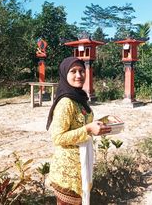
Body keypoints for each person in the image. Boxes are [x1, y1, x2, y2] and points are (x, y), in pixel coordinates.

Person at [46, 56, 111, 205]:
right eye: (73, 71)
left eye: (81, 71)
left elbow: (84, 123)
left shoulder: (78, 98)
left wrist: (107, 120)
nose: (78, 75)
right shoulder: (66, 102)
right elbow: (58, 138)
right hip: (66, 173)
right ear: (64, 74)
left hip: (80, 167)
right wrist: (88, 129)